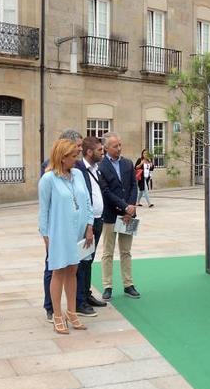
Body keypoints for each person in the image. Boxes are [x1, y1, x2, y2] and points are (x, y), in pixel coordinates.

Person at [39, 138, 94, 334]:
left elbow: (88, 202)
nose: (76, 159)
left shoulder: (78, 174)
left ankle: (72, 312)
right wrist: (45, 235)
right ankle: (57, 314)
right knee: (58, 271)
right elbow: (43, 210)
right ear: (62, 158)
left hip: (78, 230)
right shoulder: (48, 179)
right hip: (59, 231)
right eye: (73, 156)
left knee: (73, 270)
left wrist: (89, 226)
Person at [97, 132, 140, 301]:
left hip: (129, 215)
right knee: (108, 252)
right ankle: (107, 286)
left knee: (126, 251)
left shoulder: (128, 163)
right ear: (106, 148)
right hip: (110, 215)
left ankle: (128, 284)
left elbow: (133, 186)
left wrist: (131, 208)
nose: (119, 148)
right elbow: (105, 191)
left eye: (120, 145)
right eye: (115, 146)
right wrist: (124, 207)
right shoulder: (101, 166)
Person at [73, 136, 107, 317]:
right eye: (100, 150)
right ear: (89, 152)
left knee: (90, 260)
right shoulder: (79, 169)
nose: (103, 152)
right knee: (83, 262)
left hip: (98, 219)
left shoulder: (96, 168)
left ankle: (86, 294)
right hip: (87, 222)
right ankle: (79, 301)